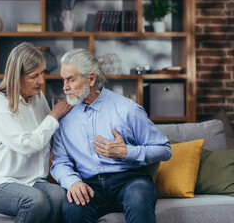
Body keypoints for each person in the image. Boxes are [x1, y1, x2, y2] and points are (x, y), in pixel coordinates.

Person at [50, 48, 172, 223]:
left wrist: (126, 152)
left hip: (130, 181)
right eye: (63, 80)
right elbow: (60, 162)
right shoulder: (64, 118)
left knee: (139, 197)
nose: (65, 87)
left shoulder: (127, 109)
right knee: (73, 207)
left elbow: (165, 150)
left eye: (71, 79)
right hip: (89, 184)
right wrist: (73, 182)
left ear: (91, 79)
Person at [0, 42, 72, 223]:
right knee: (35, 201)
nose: (41, 81)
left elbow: (48, 137)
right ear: (17, 77)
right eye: (34, 76)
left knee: (59, 196)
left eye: (42, 73)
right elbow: (27, 145)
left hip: (30, 180)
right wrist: (54, 114)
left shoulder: (38, 98)